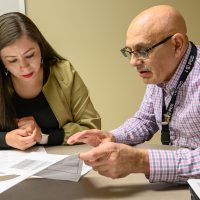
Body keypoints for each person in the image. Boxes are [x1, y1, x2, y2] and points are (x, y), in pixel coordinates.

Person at [67, 5, 200, 183]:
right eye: (130, 52)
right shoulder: (160, 72)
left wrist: (140, 161)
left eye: (143, 50)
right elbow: (145, 120)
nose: (133, 62)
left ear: (177, 44)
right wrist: (113, 136)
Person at [0, 12, 101, 150]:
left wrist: (44, 136)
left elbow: (91, 128)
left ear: (40, 47)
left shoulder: (63, 73)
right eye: (12, 60)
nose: (24, 67)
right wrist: (5, 139)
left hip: (62, 162)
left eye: (30, 55)